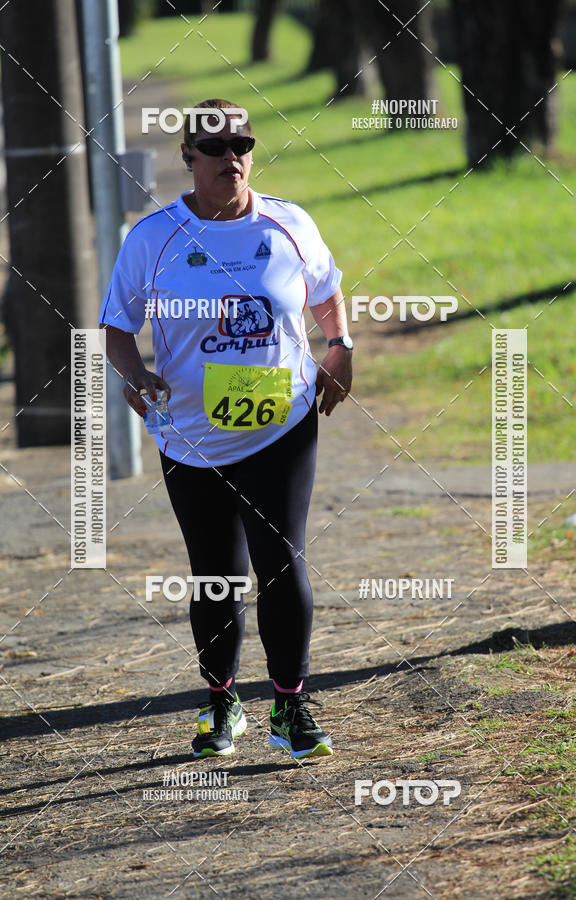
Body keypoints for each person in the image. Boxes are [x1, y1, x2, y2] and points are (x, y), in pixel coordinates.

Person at [100, 99, 353, 760]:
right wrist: (134, 378)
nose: (230, 158)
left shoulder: (289, 223)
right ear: (188, 157)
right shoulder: (153, 237)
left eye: (241, 144)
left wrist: (341, 345)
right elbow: (118, 326)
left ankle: (291, 707)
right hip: (189, 432)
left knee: (282, 564)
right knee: (215, 574)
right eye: (214, 148)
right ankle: (221, 703)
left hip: (282, 423)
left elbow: (324, 289)